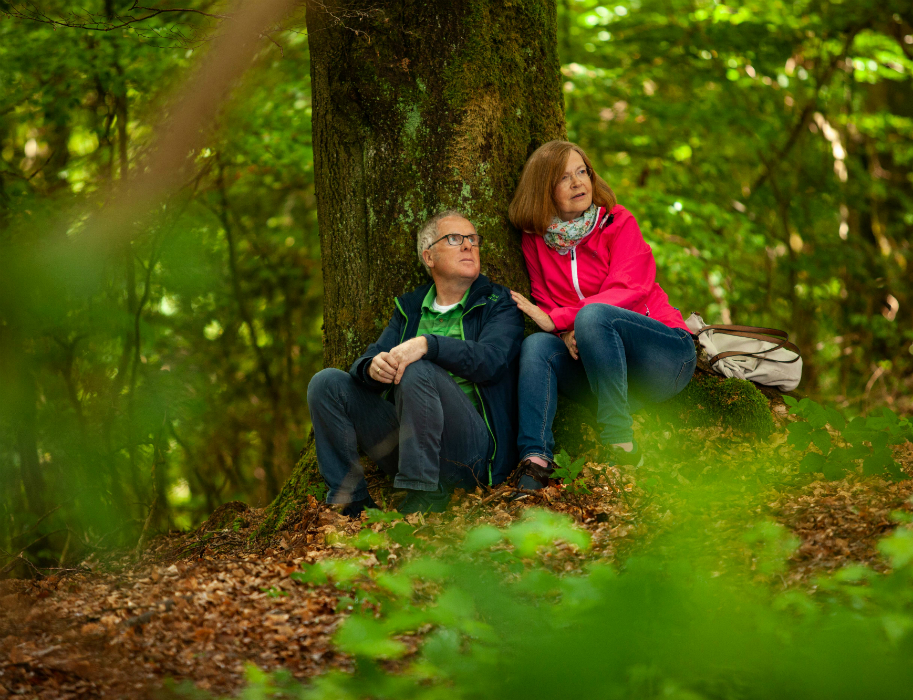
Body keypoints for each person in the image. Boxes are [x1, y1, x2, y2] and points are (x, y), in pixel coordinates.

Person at [307, 210, 524, 516]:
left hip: (468, 450)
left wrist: (428, 345)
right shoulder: (411, 309)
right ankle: (350, 500)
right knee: (326, 383)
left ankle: (420, 495)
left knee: (420, 368)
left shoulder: (497, 303)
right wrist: (372, 367)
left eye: (473, 239)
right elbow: (370, 357)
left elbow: (492, 361)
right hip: (407, 440)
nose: (468, 246)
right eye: (454, 239)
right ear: (429, 256)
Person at [507, 141, 696, 492]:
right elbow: (545, 299)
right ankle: (535, 461)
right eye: (564, 178)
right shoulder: (534, 240)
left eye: (582, 172)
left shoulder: (618, 222)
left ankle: (620, 445)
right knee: (536, 345)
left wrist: (566, 318)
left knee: (594, 315)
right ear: (542, 190)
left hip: (664, 358)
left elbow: (630, 288)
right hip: (602, 372)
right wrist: (564, 332)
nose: (578, 183)